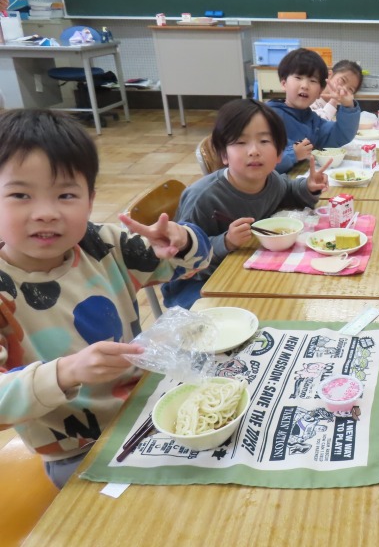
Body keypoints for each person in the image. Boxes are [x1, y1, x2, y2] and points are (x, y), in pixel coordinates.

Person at [0, 109, 212, 488]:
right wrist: (65, 372)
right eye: (20, 195)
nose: (46, 213)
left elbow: (194, 263)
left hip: (149, 403)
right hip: (79, 449)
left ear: (90, 199)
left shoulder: (103, 244)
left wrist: (182, 241)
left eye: (66, 194)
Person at [162, 99, 330, 309]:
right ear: (224, 154)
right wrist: (226, 242)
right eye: (241, 142)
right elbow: (179, 259)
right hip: (195, 288)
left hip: (243, 270)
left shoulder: (271, 180)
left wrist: (309, 187)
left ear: (280, 153)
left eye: (264, 141)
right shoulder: (203, 198)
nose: (254, 151)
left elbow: (289, 191)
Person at [267, 49, 360, 173]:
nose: (305, 85)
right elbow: (258, 160)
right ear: (284, 83)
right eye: (298, 77)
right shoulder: (268, 117)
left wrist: (348, 106)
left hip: (301, 180)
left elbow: (340, 135)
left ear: (319, 92)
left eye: (313, 81)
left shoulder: (313, 121)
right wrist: (293, 154)